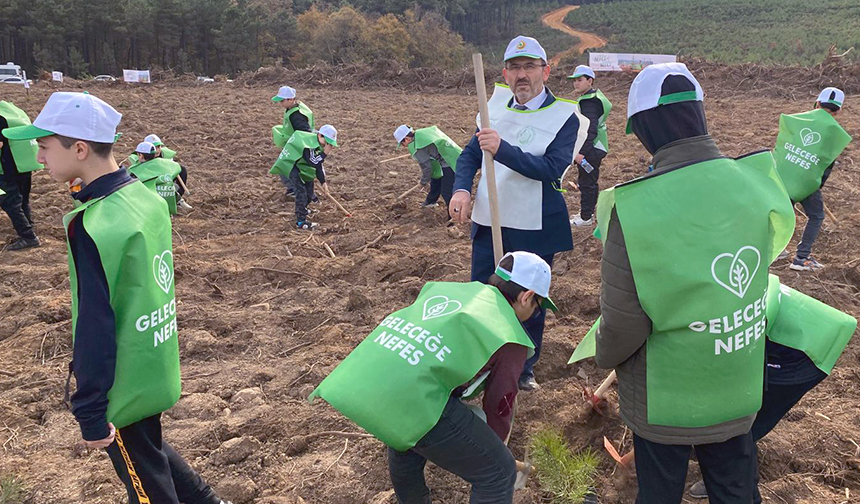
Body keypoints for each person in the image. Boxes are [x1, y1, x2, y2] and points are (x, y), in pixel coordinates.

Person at [2, 91, 230, 504]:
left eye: (44, 145)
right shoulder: (142, 197)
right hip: (155, 361)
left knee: (145, 484)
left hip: (119, 382)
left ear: (80, 148)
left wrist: (89, 406)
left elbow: (95, 322)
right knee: (147, 445)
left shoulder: (95, 225)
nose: (38, 157)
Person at [593, 63, 795, 504]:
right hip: (737, 385)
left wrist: (601, 356)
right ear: (699, 114)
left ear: (644, 127)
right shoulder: (756, 181)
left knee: (660, 491)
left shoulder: (633, 209)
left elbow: (625, 324)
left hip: (666, 400)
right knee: (736, 489)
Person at [310, 251, 557, 504]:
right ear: (527, 297)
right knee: (498, 473)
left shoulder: (451, 291)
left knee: (405, 436)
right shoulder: (509, 334)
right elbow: (499, 403)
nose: (534, 314)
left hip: (372, 381)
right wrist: (494, 451)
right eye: (538, 309)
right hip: (413, 398)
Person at [449, 35, 586, 391]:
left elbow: (552, 168)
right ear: (505, 73)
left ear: (546, 71)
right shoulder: (492, 107)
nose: (521, 74)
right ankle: (480, 361)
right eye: (514, 67)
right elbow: (468, 156)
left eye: (529, 67)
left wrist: (502, 149)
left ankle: (524, 366)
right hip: (489, 219)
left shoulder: (566, 116)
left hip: (535, 224)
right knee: (483, 291)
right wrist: (462, 188)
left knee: (528, 299)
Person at [688, 274, 856, 502]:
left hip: (805, 352)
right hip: (799, 334)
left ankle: (736, 482)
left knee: (740, 423)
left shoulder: (727, 302)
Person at [771, 87, 852, 271]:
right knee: (816, 216)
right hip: (807, 182)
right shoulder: (835, 133)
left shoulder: (797, 119)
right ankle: (801, 258)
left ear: (817, 103)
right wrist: (814, 186)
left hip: (783, 177)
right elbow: (825, 165)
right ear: (839, 111)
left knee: (784, 212)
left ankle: (775, 250)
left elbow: (782, 146)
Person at [567, 65, 612, 227]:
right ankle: (589, 214)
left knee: (587, 182)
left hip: (592, 149)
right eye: (574, 81)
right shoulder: (592, 97)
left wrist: (581, 153)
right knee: (590, 181)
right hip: (595, 148)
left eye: (579, 80)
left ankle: (586, 218)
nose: (576, 84)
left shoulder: (590, 103)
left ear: (590, 81)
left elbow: (590, 129)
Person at [269, 125, 337, 230]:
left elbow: (318, 166)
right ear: (319, 135)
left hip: (302, 166)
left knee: (309, 193)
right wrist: (324, 154)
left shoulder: (319, 144)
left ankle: (302, 209)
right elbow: (312, 161)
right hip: (291, 165)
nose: (327, 145)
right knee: (301, 192)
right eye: (327, 142)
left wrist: (323, 183)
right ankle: (301, 221)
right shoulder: (308, 143)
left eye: (330, 144)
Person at [0, 100, 43, 250]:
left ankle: (28, 237)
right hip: (23, 164)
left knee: (10, 203)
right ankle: (28, 229)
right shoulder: (12, 111)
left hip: (6, 168)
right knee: (23, 200)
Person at [393, 124, 462, 210]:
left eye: (402, 143)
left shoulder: (416, 147)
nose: (404, 146)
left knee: (446, 192)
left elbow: (427, 168)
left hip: (450, 161)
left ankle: (454, 215)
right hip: (454, 152)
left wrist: (423, 182)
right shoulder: (421, 133)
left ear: (407, 139)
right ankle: (430, 202)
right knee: (436, 179)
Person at [272, 86, 315, 200]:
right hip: (295, 144)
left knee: (285, 166)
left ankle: (297, 192)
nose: (280, 103)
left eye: (282, 100)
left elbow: (304, 131)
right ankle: (305, 193)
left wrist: (299, 148)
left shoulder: (297, 115)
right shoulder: (294, 108)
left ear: (290, 99)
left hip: (299, 146)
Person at [128, 141, 183, 215]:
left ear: (141, 155)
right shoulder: (165, 164)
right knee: (175, 186)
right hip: (165, 196)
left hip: (147, 201)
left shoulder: (136, 170)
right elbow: (177, 169)